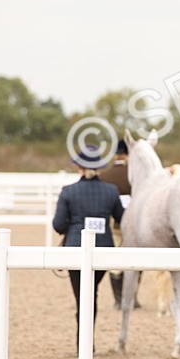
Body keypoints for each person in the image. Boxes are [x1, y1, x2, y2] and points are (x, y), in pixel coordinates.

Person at [53, 144, 124, 348]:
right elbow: (120, 218)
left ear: (79, 168)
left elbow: (58, 224)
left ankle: (83, 344)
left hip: (75, 251)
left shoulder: (68, 192)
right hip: (103, 251)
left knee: (82, 298)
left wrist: (73, 225)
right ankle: (86, 343)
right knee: (91, 294)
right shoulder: (111, 191)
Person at [98, 139, 135, 309]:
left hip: (113, 223)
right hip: (134, 224)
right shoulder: (133, 174)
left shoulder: (104, 176)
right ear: (127, 155)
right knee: (136, 260)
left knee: (115, 261)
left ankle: (118, 299)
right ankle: (133, 298)